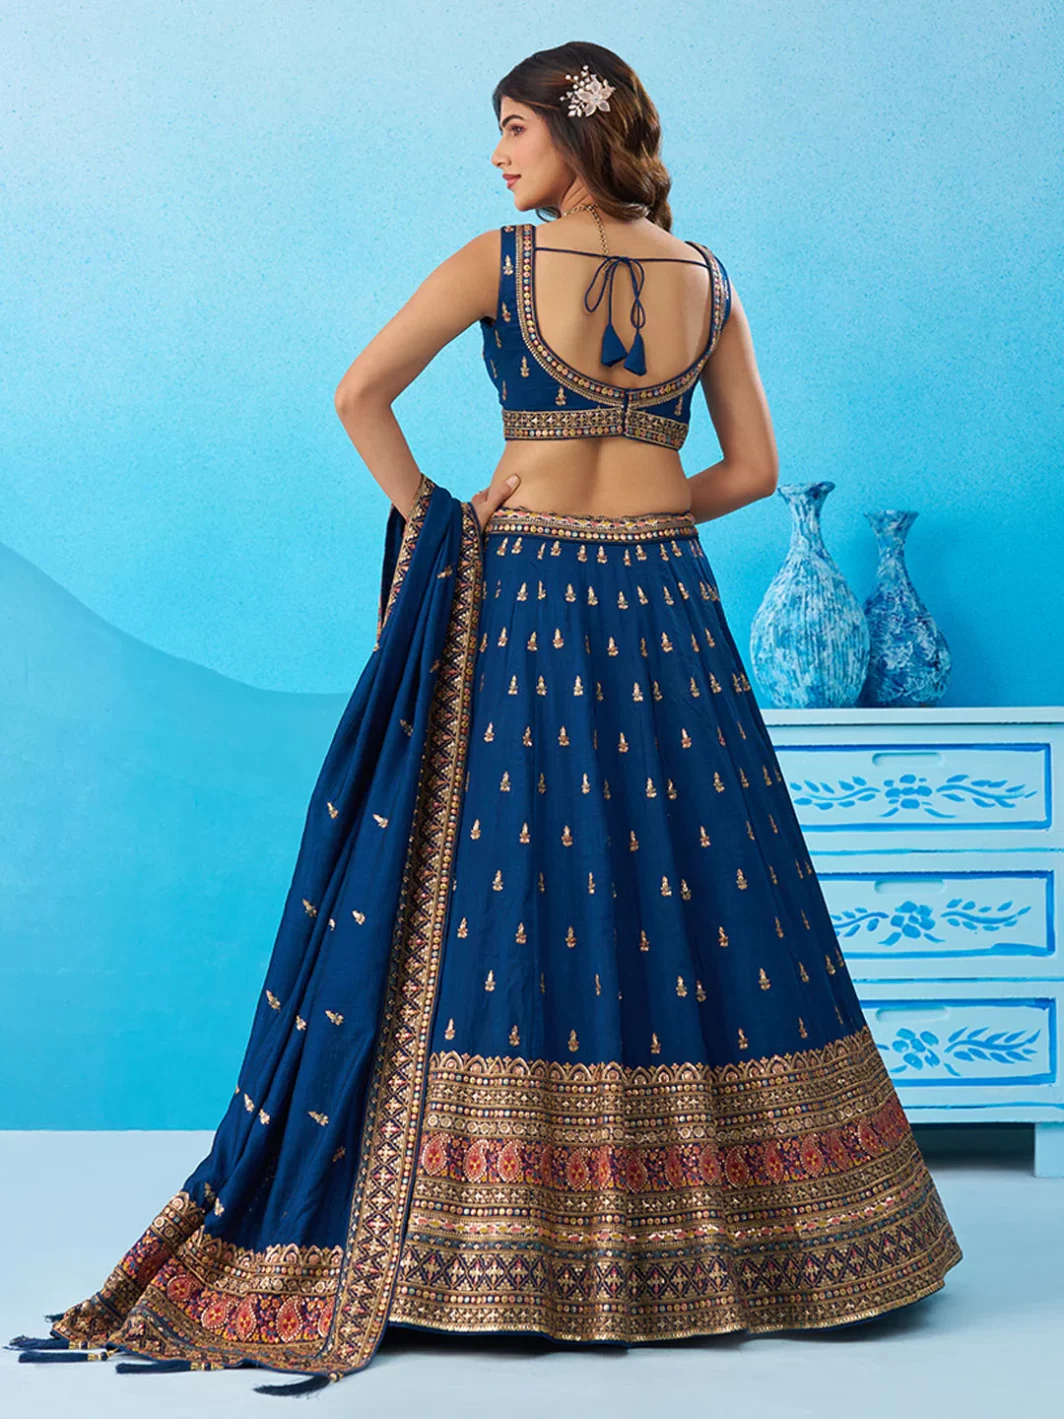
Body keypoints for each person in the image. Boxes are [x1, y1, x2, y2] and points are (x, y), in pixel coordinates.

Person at [9, 40, 961, 1397]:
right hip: (667, 603)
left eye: (515, 127)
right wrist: (647, 508)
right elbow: (751, 469)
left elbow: (359, 394)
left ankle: (493, 1235)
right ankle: (769, 1237)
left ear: (575, 135)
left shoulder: (501, 265)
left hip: (526, 602)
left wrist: (439, 518)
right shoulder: (708, 279)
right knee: (695, 885)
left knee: (515, 888)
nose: (499, 154)